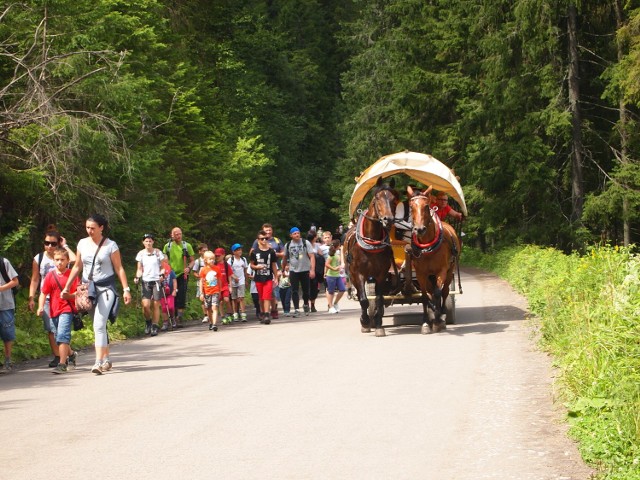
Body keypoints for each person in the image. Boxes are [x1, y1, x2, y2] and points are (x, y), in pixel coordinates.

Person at [61, 214, 132, 375]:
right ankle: (106, 359)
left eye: (93, 228)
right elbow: (77, 266)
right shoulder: (82, 244)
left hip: (106, 288)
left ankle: (98, 362)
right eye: (87, 227)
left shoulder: (110, 246)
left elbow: (119, 268)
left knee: (99, 324)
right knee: (97, 325)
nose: (89, 231)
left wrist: (126, 289)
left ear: (101, 228)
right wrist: (67, 286)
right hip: (88, 289)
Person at [28, 226, 76, 368]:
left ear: (58, 243)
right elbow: (35, 279)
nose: (49, 246)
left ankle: (62, 359)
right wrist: (32, 297)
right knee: (51, 329)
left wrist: (65, 245)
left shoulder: (63, 256)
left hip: (63, 299)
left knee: (59, 331)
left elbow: (75, 261)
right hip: (47, 298)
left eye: (53, 243)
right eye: (47, 243)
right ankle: (63, 355)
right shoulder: (39, 258)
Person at [37, 247, 79, 373]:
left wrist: (69, 296)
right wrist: (40, 307)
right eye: (57, 260)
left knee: (62, 335)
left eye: (62, 260)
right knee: (57, 337)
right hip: (53, 310)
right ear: (54, 261)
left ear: (67, 261)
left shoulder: (72, 274)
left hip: (67, 309)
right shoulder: (50, 275)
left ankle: (62, 364)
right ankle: (71, 354)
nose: (59, 262)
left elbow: (79, 293)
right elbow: (43, 293)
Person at [250, 223, 284, 319]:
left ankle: (267, 314)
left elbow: (273, 264)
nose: (264, 240)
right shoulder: (254, 251)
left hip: (269, 277)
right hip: (258, 277)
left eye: (265, 238)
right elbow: (252, 264)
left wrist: (276, 277)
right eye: (262, 239)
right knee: (261, 297)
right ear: (258, 240)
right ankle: (262, 312)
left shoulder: (271, 251)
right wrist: (256, 267)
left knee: (267, 296)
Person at [162, 227, 195, 326]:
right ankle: (173, 317)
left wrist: (189, 268)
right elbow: (164, 260)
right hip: (170, 275)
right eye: (176, 234)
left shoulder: (186, 246)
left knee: (181, 295)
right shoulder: (167, 246)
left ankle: (179, 317)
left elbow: (193, 260)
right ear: (171, 235)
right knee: (172, 296)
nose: (178, 236)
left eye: (180, 233)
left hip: (182, 274)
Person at [134, 234, 164, 337]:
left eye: (150, 241)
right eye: (146, 241)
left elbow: (163, 267)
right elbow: (139, 269)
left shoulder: (158, 253)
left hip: (156, 281)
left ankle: (155, 326)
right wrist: (137, 277)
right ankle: (148, 322)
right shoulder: (141, 254)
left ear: (153, 242)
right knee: (146, 306)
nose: (148, 243)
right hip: (146, 281)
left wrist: (162, 274)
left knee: (156, 304)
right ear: (143, 242)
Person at [282, 227, 315, 317]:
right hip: (293, 270)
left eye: (298, 233)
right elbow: (284, 258)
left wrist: (312, 270)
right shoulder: (288, 245)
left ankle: (305, 304)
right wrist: (283, 269)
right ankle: (296, 309)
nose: (297, 235)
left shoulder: (305, 242)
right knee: (294, 290)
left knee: (306, 291)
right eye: (294, 233)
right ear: (291, 235)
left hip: (305, 270)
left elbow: (312, 256)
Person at [0, 256, 19, 373]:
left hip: (5, 304)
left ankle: (8, 360)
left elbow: (15, 281)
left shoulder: (3, 262)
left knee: (7, 333)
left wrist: (1, 288)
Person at [199, 250, 220, 331]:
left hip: (215, 291)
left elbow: (219, 280)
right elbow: (201, 281)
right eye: (210, 259)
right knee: (208, 309)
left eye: (213, 259)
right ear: (205, 260)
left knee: (214, 307)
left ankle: (215, 324)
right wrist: (201, 293)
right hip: (207, 292)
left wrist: (220, 290)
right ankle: (211, 322)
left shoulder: (217, 269)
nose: (212, 260)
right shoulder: (203, 270)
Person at [325, 241, 346, 313]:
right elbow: (327, 264)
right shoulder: (331, 256)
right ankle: (330, 306)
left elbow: (339, 263)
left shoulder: (337, 254)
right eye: (339, 245)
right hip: (331, 275)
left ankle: (335, 303)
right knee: (330, 291)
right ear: (337, 246)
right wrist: (333, 269)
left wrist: (339, 267)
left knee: (342, 289)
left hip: (337, 275)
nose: (340, 247)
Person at [228, 244, 248, 322]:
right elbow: (229, 271)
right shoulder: (230, 260)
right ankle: (235, 313)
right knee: (234, 299)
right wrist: (233, 277)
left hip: (241, 281)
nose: (240, 251)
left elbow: (245, 270)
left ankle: (243, 314)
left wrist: (246, 280)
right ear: (234, 252)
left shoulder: (243, 259)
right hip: (233, 282)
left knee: (241, 298)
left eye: (240, 249)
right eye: (238, 250)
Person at [214, 248, 233, 324]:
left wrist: (230, 286)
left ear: (223, 255)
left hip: (225, 286)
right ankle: (222, 317)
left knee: (226, 299)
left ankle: (229, 313)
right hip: (217, 287)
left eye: (219, 256)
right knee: (220, 302)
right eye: (216, 256)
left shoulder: (226, 265)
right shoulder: (214, 265)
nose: (217, 257)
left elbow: (229, 276)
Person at [307, 232, 325, 313]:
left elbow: (321, 255)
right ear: (314, 237)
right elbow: (320, 255)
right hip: (307, 268)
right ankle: (307, 304)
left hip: (315, 269)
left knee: (314, 287)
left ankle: (312, 305)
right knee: (307, 287)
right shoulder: (306, 244)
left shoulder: (317, 245)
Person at [192, 243, 208, 323]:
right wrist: (199, 276)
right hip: (201, 282)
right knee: (202, 299)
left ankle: (211, 313)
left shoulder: (211, 259)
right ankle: (205, 315)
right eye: (203, 251)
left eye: (206, 250)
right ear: (200, 252)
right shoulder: (198, 261)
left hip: (210, 282)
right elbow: (194, 272)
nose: (205, 252)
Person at [159, 260, 177, 331]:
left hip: (170, 292)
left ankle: (172, 318)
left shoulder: (171, 272)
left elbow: (174, 281)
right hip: (162, 293)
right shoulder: (158, 272)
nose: (164, 263)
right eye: (163, 262)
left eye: (166, 262)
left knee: (171, 307)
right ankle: (165, 322)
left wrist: (175, 290)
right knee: (164, 308)